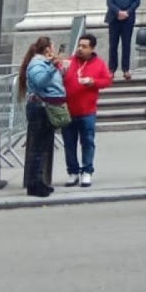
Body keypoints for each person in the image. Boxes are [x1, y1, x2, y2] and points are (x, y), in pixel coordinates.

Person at [61, 33, 113, 188]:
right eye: (79, 45)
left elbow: (107, 80)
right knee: (69, 143)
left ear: (92, 48)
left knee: (87, 142)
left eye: (84, 46)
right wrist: (60, 71)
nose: (80, 49)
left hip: (87, 110)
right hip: (68, 110)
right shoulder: (69, 62)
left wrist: (93, 82)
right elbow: (58, 77)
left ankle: (87, 171)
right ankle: (73, 172)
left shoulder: (99, 64)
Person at [18, 37, 66, 198]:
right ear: (47, 49)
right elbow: (40, 82)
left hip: (48, 106)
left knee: (42, 147)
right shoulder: (37, 64)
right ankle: (34, 184)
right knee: (37, 148)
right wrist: (52, 67)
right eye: (52, 46)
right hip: (40, 108)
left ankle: (39, 181)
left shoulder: (43, 64)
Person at [104, 0, 140, 81]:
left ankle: (126, 69)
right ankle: (112, 69)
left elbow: (137, 1)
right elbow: (109, 2)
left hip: (128, 20)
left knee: (126, 45)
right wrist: (118, 12)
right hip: (114, 19)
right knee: (113, 45)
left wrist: (127, 12)